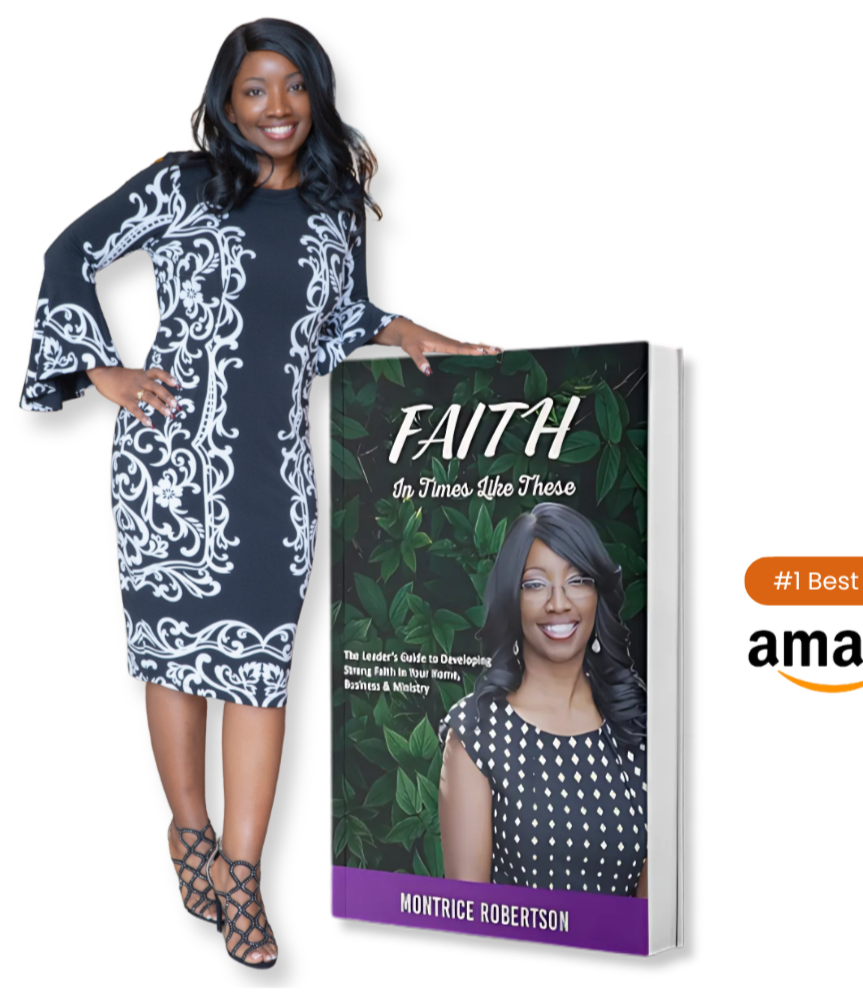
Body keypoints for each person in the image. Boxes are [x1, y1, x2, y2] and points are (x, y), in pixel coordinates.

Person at [17, 16, 504, 970]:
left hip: (273, 476)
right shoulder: (182, 184)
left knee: (258, 670)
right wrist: (102, 371)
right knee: (174, 662)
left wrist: (403, 329)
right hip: (167, 469)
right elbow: (67, 255)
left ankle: (243, 871)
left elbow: (336, 321)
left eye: (291, 86)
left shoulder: (337, 204)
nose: (275, 107)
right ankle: (189, 831)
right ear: (226, 104)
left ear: (315, 93)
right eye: (254, 90)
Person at [438, 502, 648, 897]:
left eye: (579, 580)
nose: (559, 602)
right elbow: (469, 911)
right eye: (535, 584)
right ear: (511, 599)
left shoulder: (639, 723)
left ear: (597, 594)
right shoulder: (475, 733)